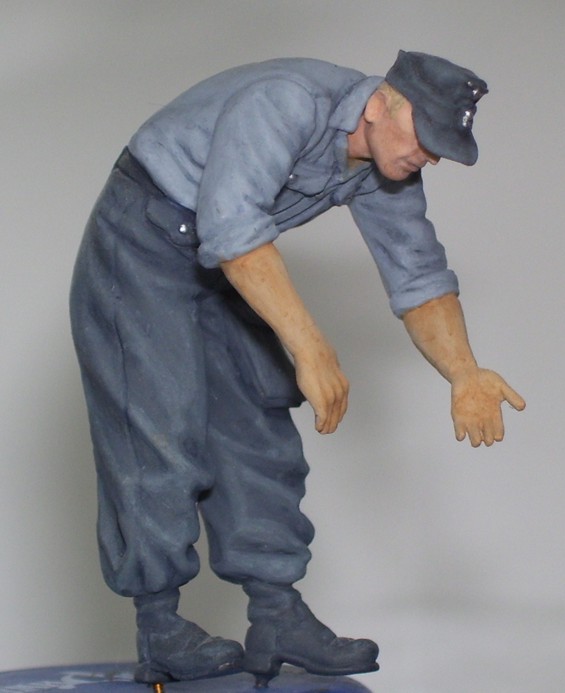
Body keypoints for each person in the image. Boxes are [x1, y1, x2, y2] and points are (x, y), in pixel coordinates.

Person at [69, 51, 525, 686]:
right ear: (380, 105)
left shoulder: (384, 166)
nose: (431, 156)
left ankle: (276, 613)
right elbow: (232, 226)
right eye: (426, 136)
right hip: (143, 241)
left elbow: (418, 273)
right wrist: (311, 347)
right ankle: (159, 623)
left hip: (221, 263)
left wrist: (464, 372)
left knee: (258, 430)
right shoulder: (286, 102)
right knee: (158, 428)